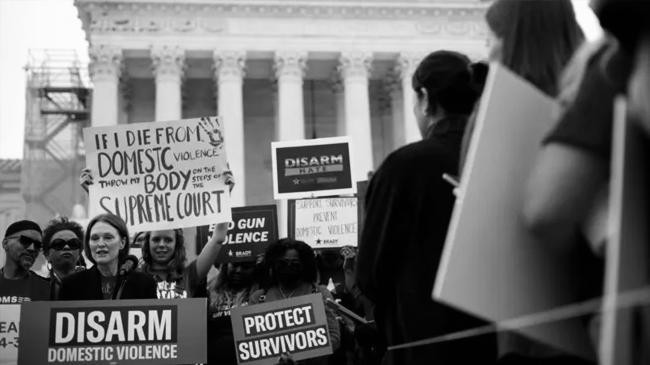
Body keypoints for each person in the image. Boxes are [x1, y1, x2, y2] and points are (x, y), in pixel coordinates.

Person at [356, 50, 494, 364]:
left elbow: (370, 274)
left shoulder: (402, 168)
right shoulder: (500, 157)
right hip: (496, 341)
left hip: (424, 342)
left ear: (425, 98)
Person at [460, 0, 585, 172]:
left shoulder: (497, 111)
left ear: (513, 44)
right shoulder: (594, 102)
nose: (489, 54)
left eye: (491, 40)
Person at [250, 239, 341, 364]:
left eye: (295, 263)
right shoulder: (259, 297)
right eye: (283, 263)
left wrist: (301, 356)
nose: (288, 267)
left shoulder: (320, 293)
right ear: (273, 264)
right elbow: (252, 344)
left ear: (305, 265)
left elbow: (334, 337)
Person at [59, 214, 157, 300]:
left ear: (122, 243)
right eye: (95, 238)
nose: (100, 244)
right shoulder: (71, 285)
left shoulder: (144, 284)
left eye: (108, 237)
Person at [140, 225, 227, 299]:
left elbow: (218, 238)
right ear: (147, 243)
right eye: (156, 239)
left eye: (168, 240)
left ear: (176, 244)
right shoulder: (135, 279)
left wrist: (224, 206)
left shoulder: (190, 275)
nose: (162, 244)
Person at [207, 260, 260, 365]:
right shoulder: (209, 292)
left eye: (246, 266)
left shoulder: (260, 294)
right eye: (235, 265)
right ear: (226, 265)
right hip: (215, 357)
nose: (239, 270)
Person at [0, 220, 50, 302]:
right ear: (5, 243)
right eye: (25, 241)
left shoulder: (47, 288)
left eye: (37, 245)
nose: (32, 248)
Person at [41, 216, 86, 300]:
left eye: (73, 244)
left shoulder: (94, 285)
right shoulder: (36, 288)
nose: (66, 247)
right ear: (47, 254)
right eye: (58, 244)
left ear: (79, 253)